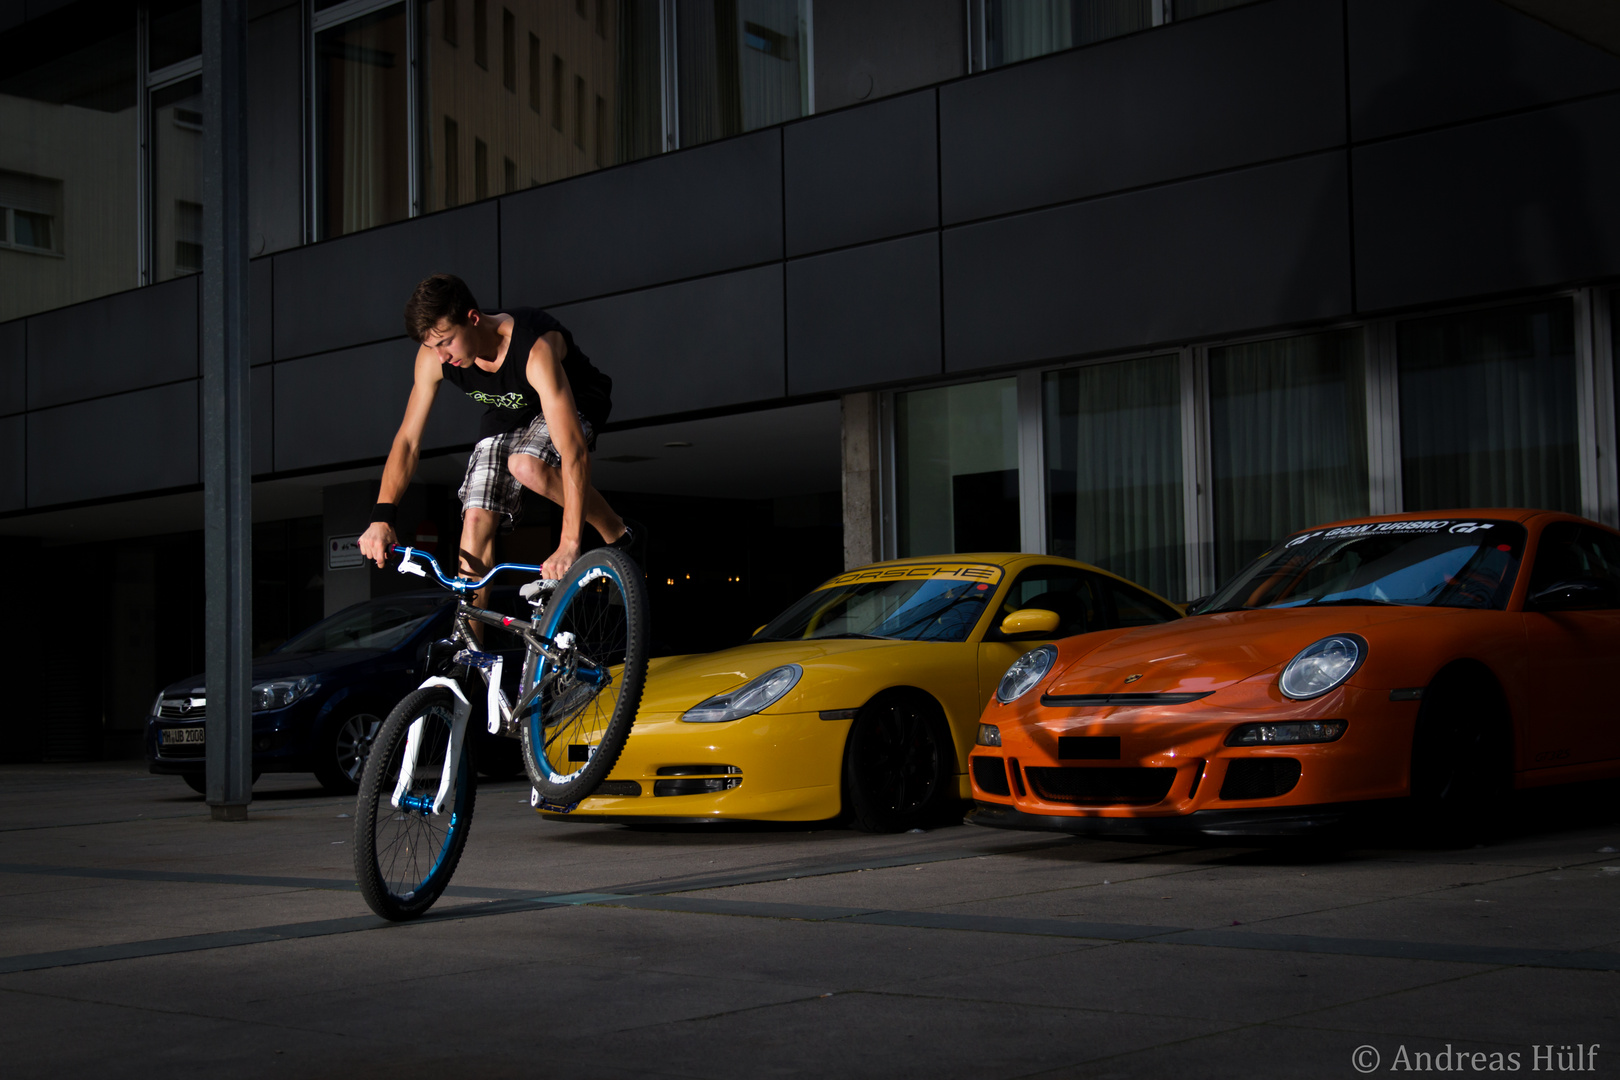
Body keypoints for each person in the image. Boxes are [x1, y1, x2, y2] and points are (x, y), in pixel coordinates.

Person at [357, 273, 637, 594]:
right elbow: (408, 440)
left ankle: (618, 533)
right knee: (475, 520)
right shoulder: (434, 358)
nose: (442, 357)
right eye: (431, 346)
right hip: (508, 410)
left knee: (527, 466)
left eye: (447, 342)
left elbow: (573, 452)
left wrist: (569, 544)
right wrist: (382, 516)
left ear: (473, 319)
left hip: (574, 396)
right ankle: (470, 643)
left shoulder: (534, 349)